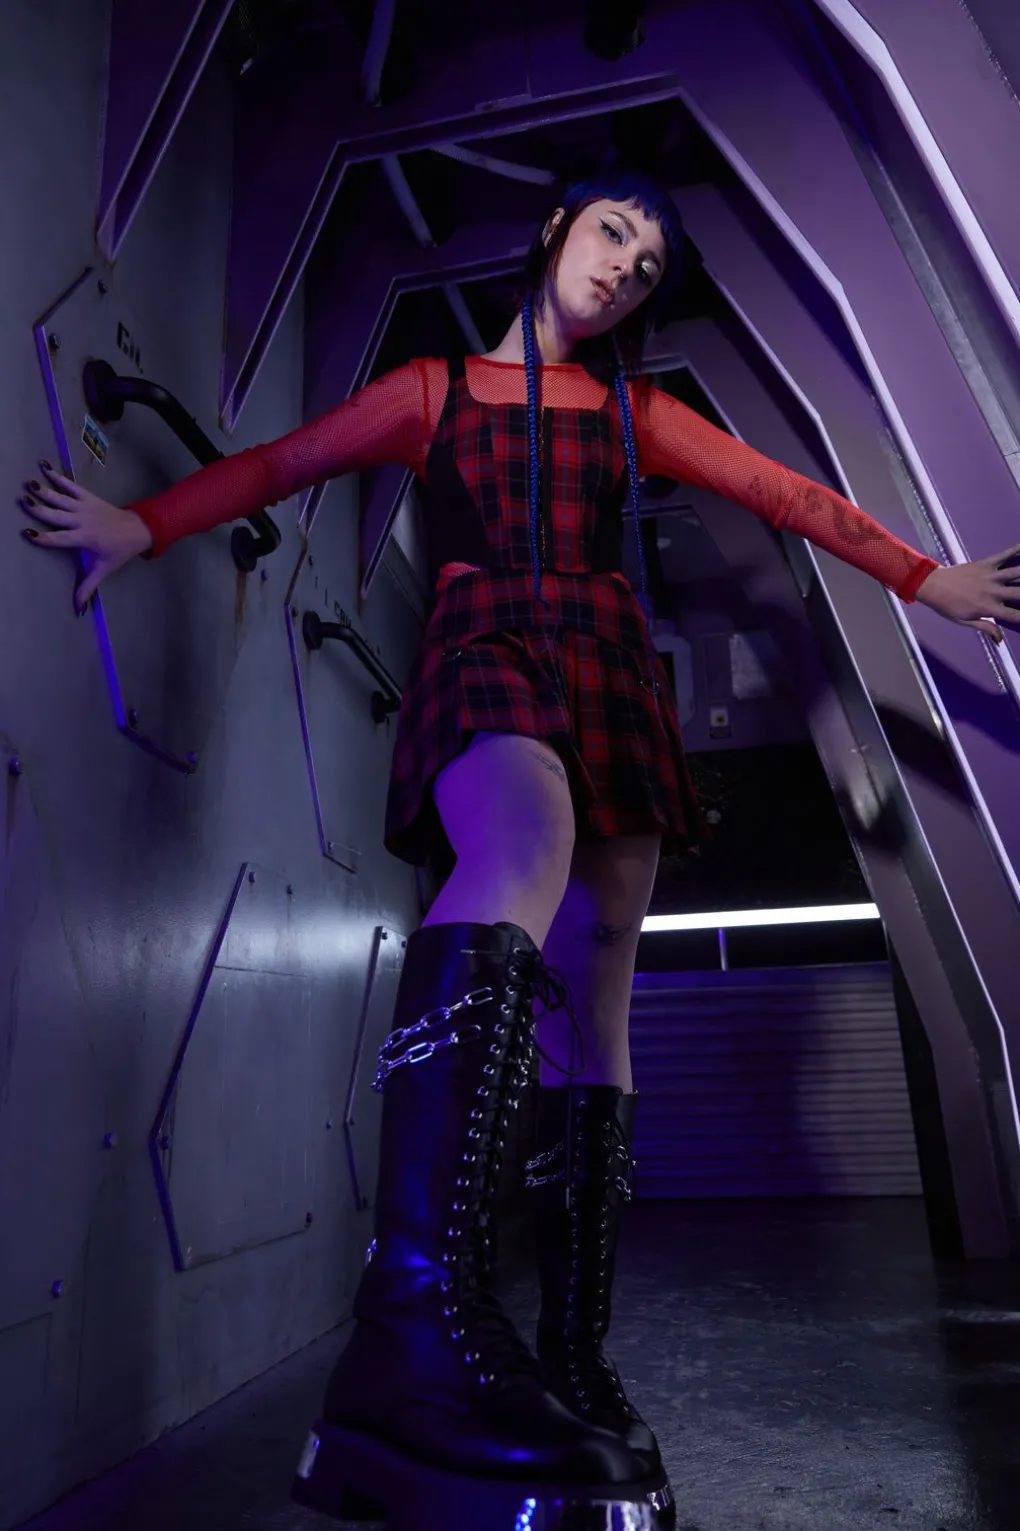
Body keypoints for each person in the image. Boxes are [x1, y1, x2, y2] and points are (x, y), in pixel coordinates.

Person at [20, 172, 1020, 1528]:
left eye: (649, 264)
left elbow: (785, 493)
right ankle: (414, 1311)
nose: (624, 267)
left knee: (600, 991)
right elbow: (279, 466)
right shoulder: (431, 391)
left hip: (609, 665)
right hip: (482, 637)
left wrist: (925, 578)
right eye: (613, 231)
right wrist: (141, 525)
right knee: (523, 840)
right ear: (555, 230)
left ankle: (573, 1362)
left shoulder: (634, 414)